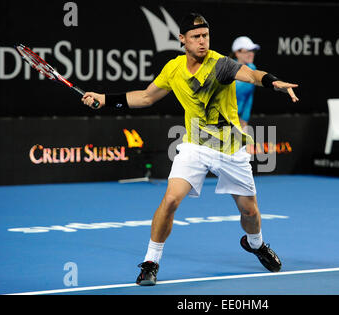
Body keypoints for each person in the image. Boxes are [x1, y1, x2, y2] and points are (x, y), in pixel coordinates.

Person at [82, 12, 299, 286]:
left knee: (250, 213)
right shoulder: (174, 69)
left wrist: (273, 82)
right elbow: (147, 97)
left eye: (205, 36)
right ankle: (150, 262)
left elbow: (253, 75)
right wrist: (105, 99)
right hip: (196, 146)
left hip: (231, 148)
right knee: (171, 199)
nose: (202, 42)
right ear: (182, 39)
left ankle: (256, 244)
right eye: (196, 37)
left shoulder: (221, 64)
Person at [231, 36, 260, 132]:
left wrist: (244, 119)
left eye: (252, 51)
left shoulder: (252, 68)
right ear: (237, 53)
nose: (251, 54)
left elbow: (249, 96)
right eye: (247, 51)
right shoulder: (227, 69)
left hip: (239, 119)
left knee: (244, 145)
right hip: (221, 119)